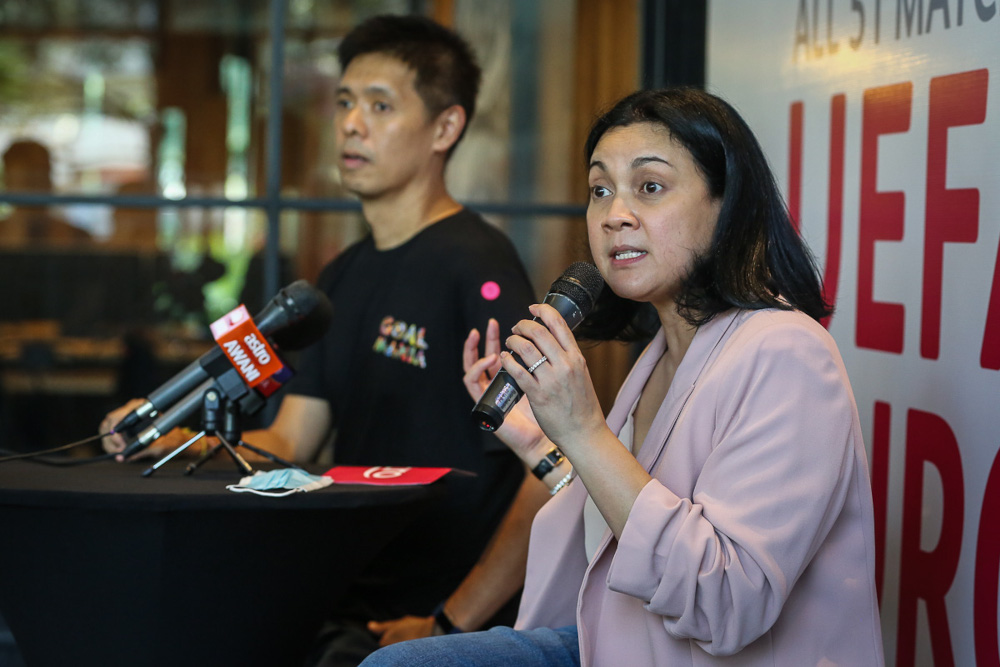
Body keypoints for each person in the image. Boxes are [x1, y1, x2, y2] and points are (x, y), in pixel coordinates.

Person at [359, 87, 885, 666]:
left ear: (726, 204)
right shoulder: (662, 351)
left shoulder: (787, 352)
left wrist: (585, 430)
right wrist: (542, 440)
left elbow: (724, 603)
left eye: (650, 187)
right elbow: (623, 519)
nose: (615, 215)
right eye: (599, 190)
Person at [100, 14, 549, 667]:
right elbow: (289, 441)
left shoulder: (477, 267)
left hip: (438, 624)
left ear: (445, 128)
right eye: (344, 102)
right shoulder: (343, 274)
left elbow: (547, 473)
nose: (350, 123)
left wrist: (451, 621)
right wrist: (170, 438)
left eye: (379, 105)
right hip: (341, 605)